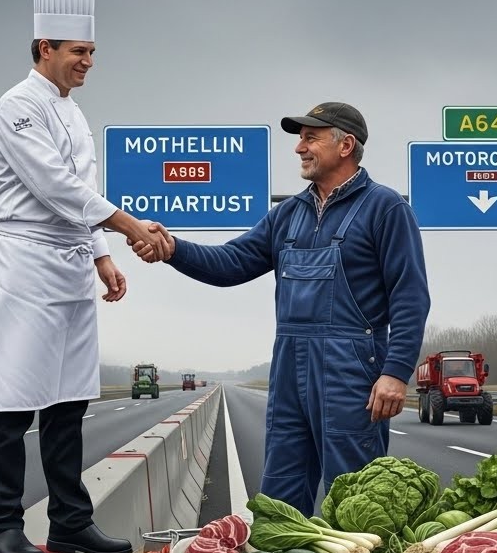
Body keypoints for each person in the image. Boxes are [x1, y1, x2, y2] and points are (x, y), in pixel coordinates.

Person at [133, 102, 429, 516]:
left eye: (311, 137)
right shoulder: (287, 215)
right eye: (299, 138)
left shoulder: (385, 209)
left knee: (358, 499)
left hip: (352, 371)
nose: (299, 147)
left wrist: (396, 372)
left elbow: (410, 295)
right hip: (290, 368)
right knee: (279, 500)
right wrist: (173, 249)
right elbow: (230, 263)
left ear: (345, 145)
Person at [0, 0, 172, 553]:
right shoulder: (17, 107)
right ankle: (3, 524)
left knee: (68, 401)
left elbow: (78, 194)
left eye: (92, 52)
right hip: (27, 262)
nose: (88, 62)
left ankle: (69, 521)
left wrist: (103, 256)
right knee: (11, 400)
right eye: (77, 51)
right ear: (43, 46)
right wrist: (130, 225)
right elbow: (56, 187)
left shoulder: (75, 112)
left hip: (69, 262)